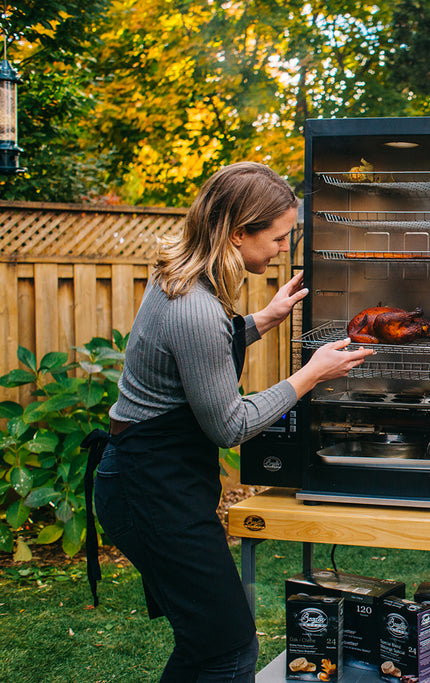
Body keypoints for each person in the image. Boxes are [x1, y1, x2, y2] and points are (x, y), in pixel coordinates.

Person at [86, 162, 375, 681]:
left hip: (156, 480)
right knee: (227, 648)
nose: (286, 249)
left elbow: (196, 359)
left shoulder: (182, 279)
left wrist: (262, 320)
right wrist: (311, 375)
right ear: (239, 232)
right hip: (149, 491)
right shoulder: (193, 306)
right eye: (280, 237)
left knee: (209, 643)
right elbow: (230, 425)